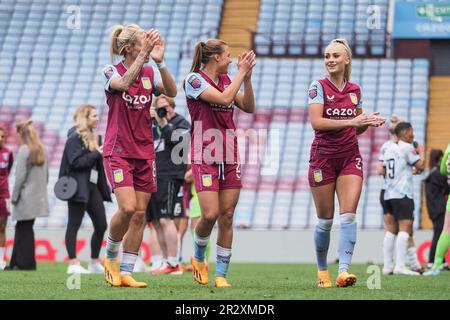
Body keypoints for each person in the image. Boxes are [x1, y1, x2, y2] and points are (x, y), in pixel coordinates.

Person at [102, 24, 177, 287]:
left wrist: (160, 61)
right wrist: (144, 56)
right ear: (128, 48)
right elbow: (122, 84)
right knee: (128, 207)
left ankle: (126, 271)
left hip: (144, 152)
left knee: (140, 214)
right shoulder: (112, 71)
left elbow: (172, 91)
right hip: (118, 150)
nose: (147, 43)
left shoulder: (148, 70)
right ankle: (110, 258)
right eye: (142, 42)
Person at [307, 38, 385, 288]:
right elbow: (317, 123)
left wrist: (365, 122)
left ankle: (343, 271)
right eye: (327, 56)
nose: (330, 59)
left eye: (336, 56)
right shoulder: (317, 86)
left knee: (349, 216)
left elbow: (357, 129)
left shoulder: (355, 90)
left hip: (350, 156)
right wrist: (353, 122)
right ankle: (322, 272)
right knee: (326, 220)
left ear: (347, 59)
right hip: (323, 158)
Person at [184, 39, 256, 288]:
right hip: (204, 154)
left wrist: (246, 78)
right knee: (210, 214)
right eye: (227, 55)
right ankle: (199, 256)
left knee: (226, 215)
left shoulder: (228, 80)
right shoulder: (194, 80)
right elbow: (226, 99)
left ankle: (221, 274)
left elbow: (248, 106)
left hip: (229, 153)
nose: (230, 59)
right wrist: (241, 72)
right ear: (215, 57)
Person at [59, 104, 112, 274]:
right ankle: (73, 263)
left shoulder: (96, 137)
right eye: (94, 116)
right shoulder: (74, 138)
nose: (97, 118)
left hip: (92, 187)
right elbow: (75, 163)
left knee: (101, 225)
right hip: (77, 187)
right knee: (74, 225)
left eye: (97, 115)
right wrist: (97, 152)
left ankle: (94, 261)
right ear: (85, 118)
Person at [146, 94, 190, 275]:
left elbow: (179, 142)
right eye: (160, 107)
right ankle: (164, 261)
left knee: (167, 219)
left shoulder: (182, 123)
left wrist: (163, 122)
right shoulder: (153, 123)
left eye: (166, 106)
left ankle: (173, 262)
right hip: (153, 175)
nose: (164, 110)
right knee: (155, 222)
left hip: (171, 176)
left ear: (173, 106)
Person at [378, 115, 423, 275]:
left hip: (387, 193)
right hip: (402, 193)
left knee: (390, 230)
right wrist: (421, 152)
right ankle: (401, 266)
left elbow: (381, 170)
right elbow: (420, 165)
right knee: (405, 229)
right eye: (411, 131)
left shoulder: (388, 148)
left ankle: (388, 266)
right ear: (404, 132)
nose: (413, 134)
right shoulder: (406, 147)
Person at [8, 120, 48, 270]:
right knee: (24, 228)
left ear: (21, 134)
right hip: (38, 197)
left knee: (23, 229)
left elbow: (19, 177)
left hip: (25, 197)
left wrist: (14, 197)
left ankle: (26, 264)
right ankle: (16, 263)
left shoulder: (24, 150)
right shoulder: (41, 149)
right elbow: (47, 176)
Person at [424, 143, 450, 276]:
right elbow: (446, 187)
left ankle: (439, 263)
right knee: (439, 234)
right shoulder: (437, 174)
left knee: (442, 233)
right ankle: (432, 261)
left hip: (434, 208)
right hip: (439, 208)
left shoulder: (431, 174)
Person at [0, 127, 13, 270]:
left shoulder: (7, 153)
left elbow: (8, 170)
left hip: (4, 195)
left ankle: (0, 261)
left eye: (2, 136)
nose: (0, 139)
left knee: (2, 228)